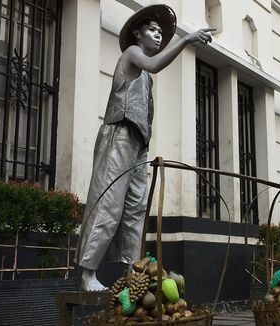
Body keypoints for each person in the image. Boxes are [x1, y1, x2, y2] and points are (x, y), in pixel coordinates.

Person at [76, 4, 214, 291]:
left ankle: (132, 271)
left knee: (136, 208)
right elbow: (154, 64)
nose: (158, 36)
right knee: (108, 203)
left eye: (161, 33)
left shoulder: (145, 75)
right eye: (152, 30)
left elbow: (151, 74)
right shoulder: (132, 55)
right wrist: (186, 40)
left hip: (138, 144)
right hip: (119, 136)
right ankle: (87, 273)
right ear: (137, 33)